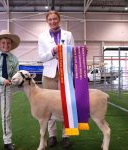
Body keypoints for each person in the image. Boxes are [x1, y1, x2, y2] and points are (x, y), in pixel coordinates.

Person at [38, 10, 74, 148]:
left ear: (59, 19)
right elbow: (41, 57)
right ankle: (52, 135)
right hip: (49, 75)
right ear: (47, 21)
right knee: (49, 105)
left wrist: (81, 53)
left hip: (66, 74)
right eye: (50, 19)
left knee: (67, 105)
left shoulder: (68, 35)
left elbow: (72, 52)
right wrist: (52, 51)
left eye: (55, 19)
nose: (53, 21)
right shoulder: (42, 37)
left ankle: (66, 136)